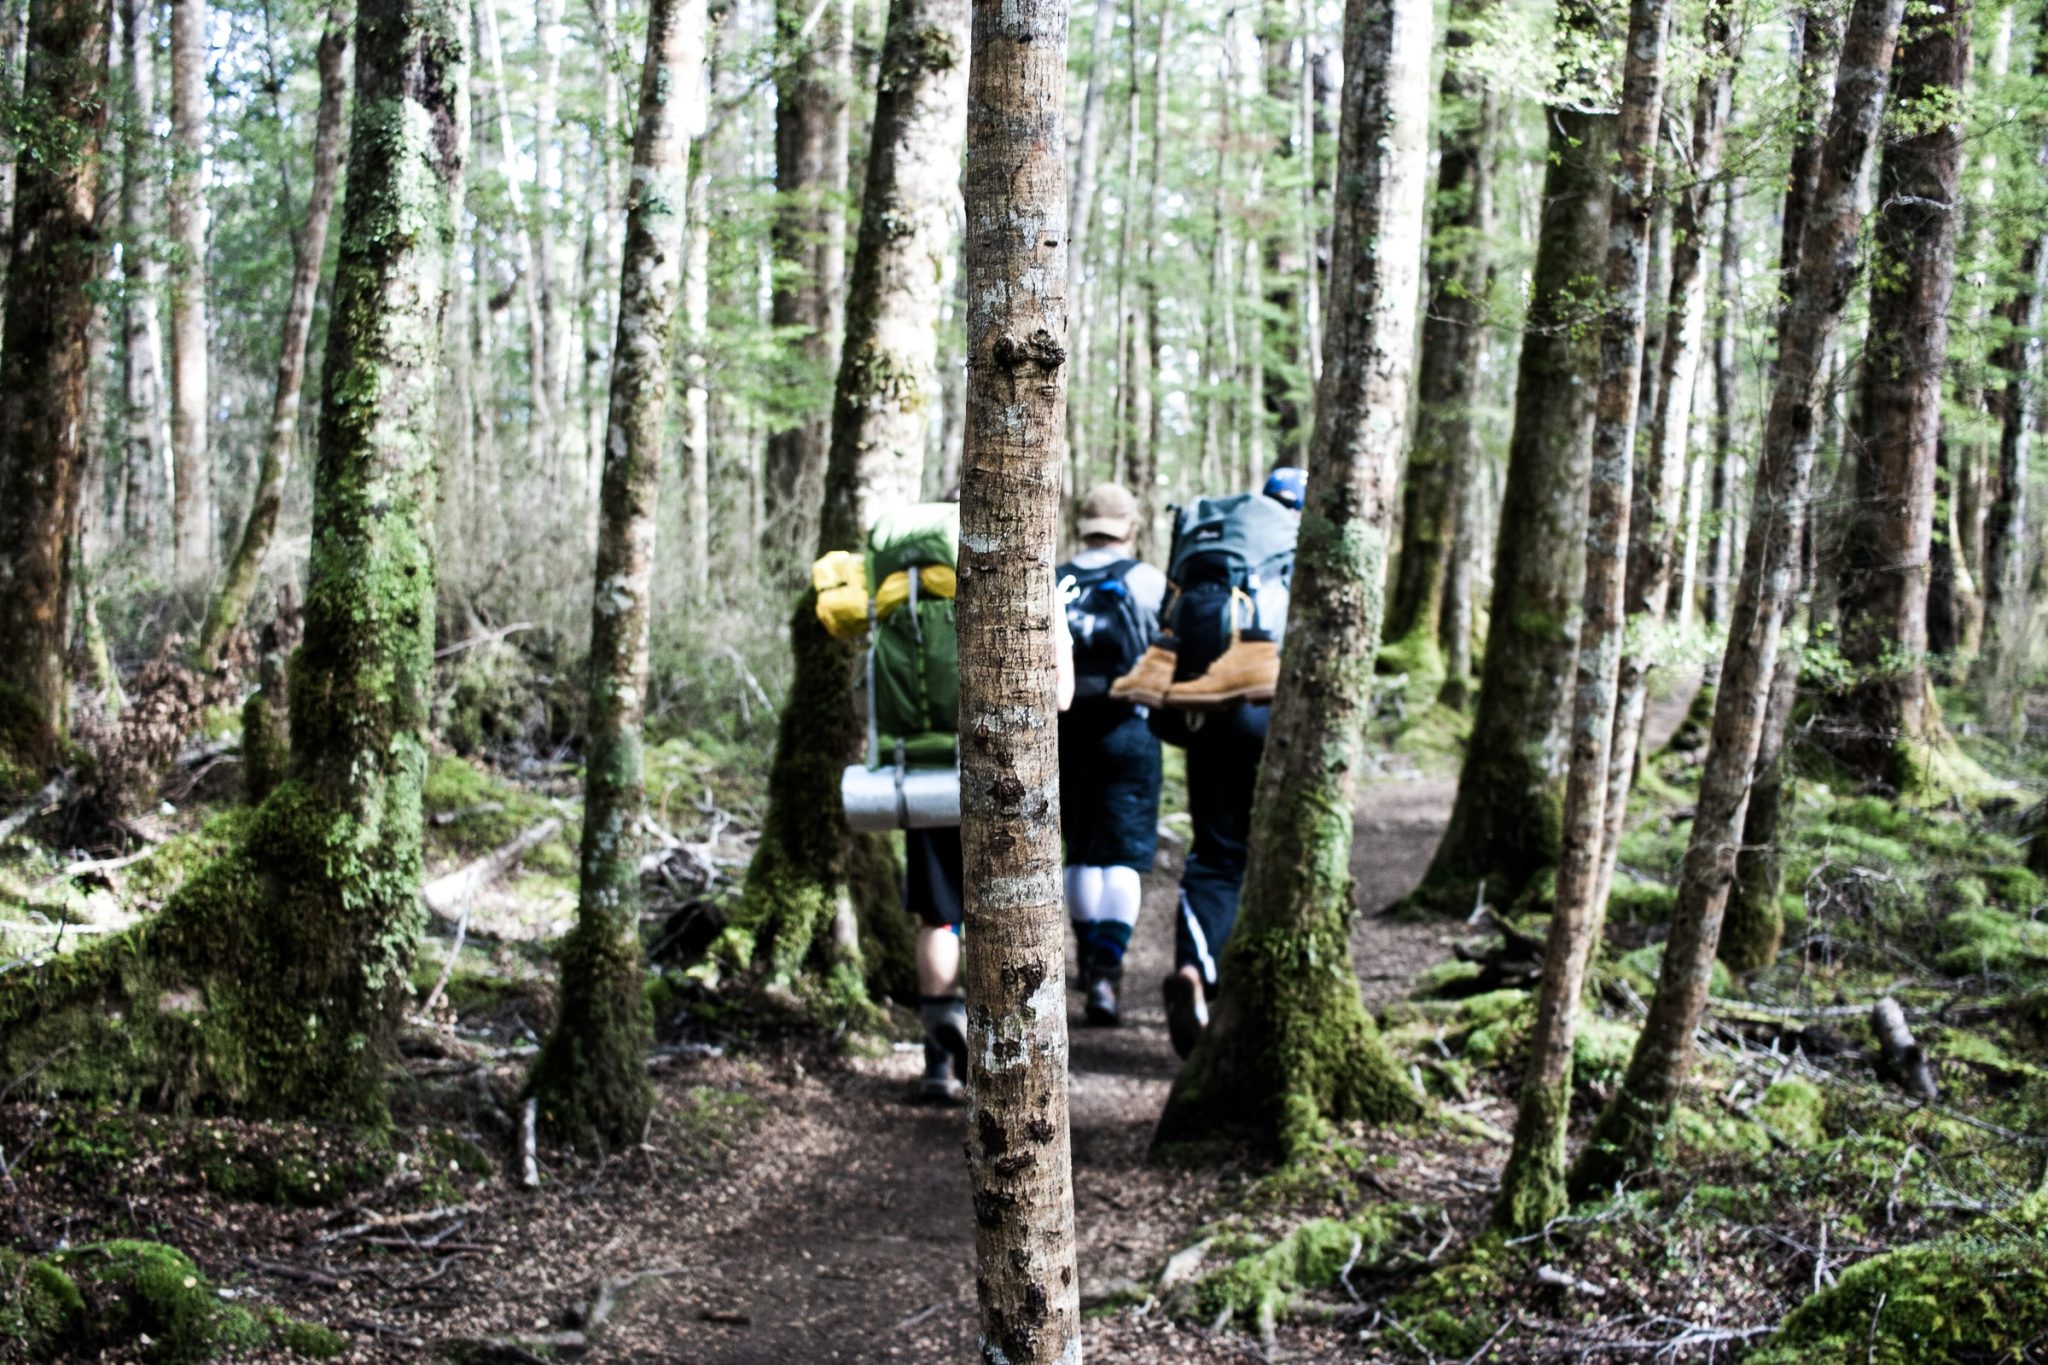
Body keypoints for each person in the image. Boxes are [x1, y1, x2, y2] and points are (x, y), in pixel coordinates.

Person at [1111, 467, 1305, 1057]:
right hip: (1268, 711)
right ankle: (1258, 1003)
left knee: (1217, 852)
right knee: (1280, 852)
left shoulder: (1216, 542)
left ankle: (1195, 972)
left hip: (1203, 708)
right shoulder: (1297, 553)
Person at [898, 491, 1075, 1103]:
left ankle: (935, 1060)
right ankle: (1008, 1058)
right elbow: (1063, 696)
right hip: (1008, 773)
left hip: (921, 768)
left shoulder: (909, 583)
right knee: (1010, 910)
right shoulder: (1030, 572)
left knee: (939, 914)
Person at [1056, 484, 1167, 1027]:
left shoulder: (1055, 577)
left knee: (1080, 847)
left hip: (1064, 729)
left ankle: (1084, 956)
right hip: (1130, 728)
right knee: (1122, 853)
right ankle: (1107, 972)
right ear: (1130, 526)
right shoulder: (1146, 581)